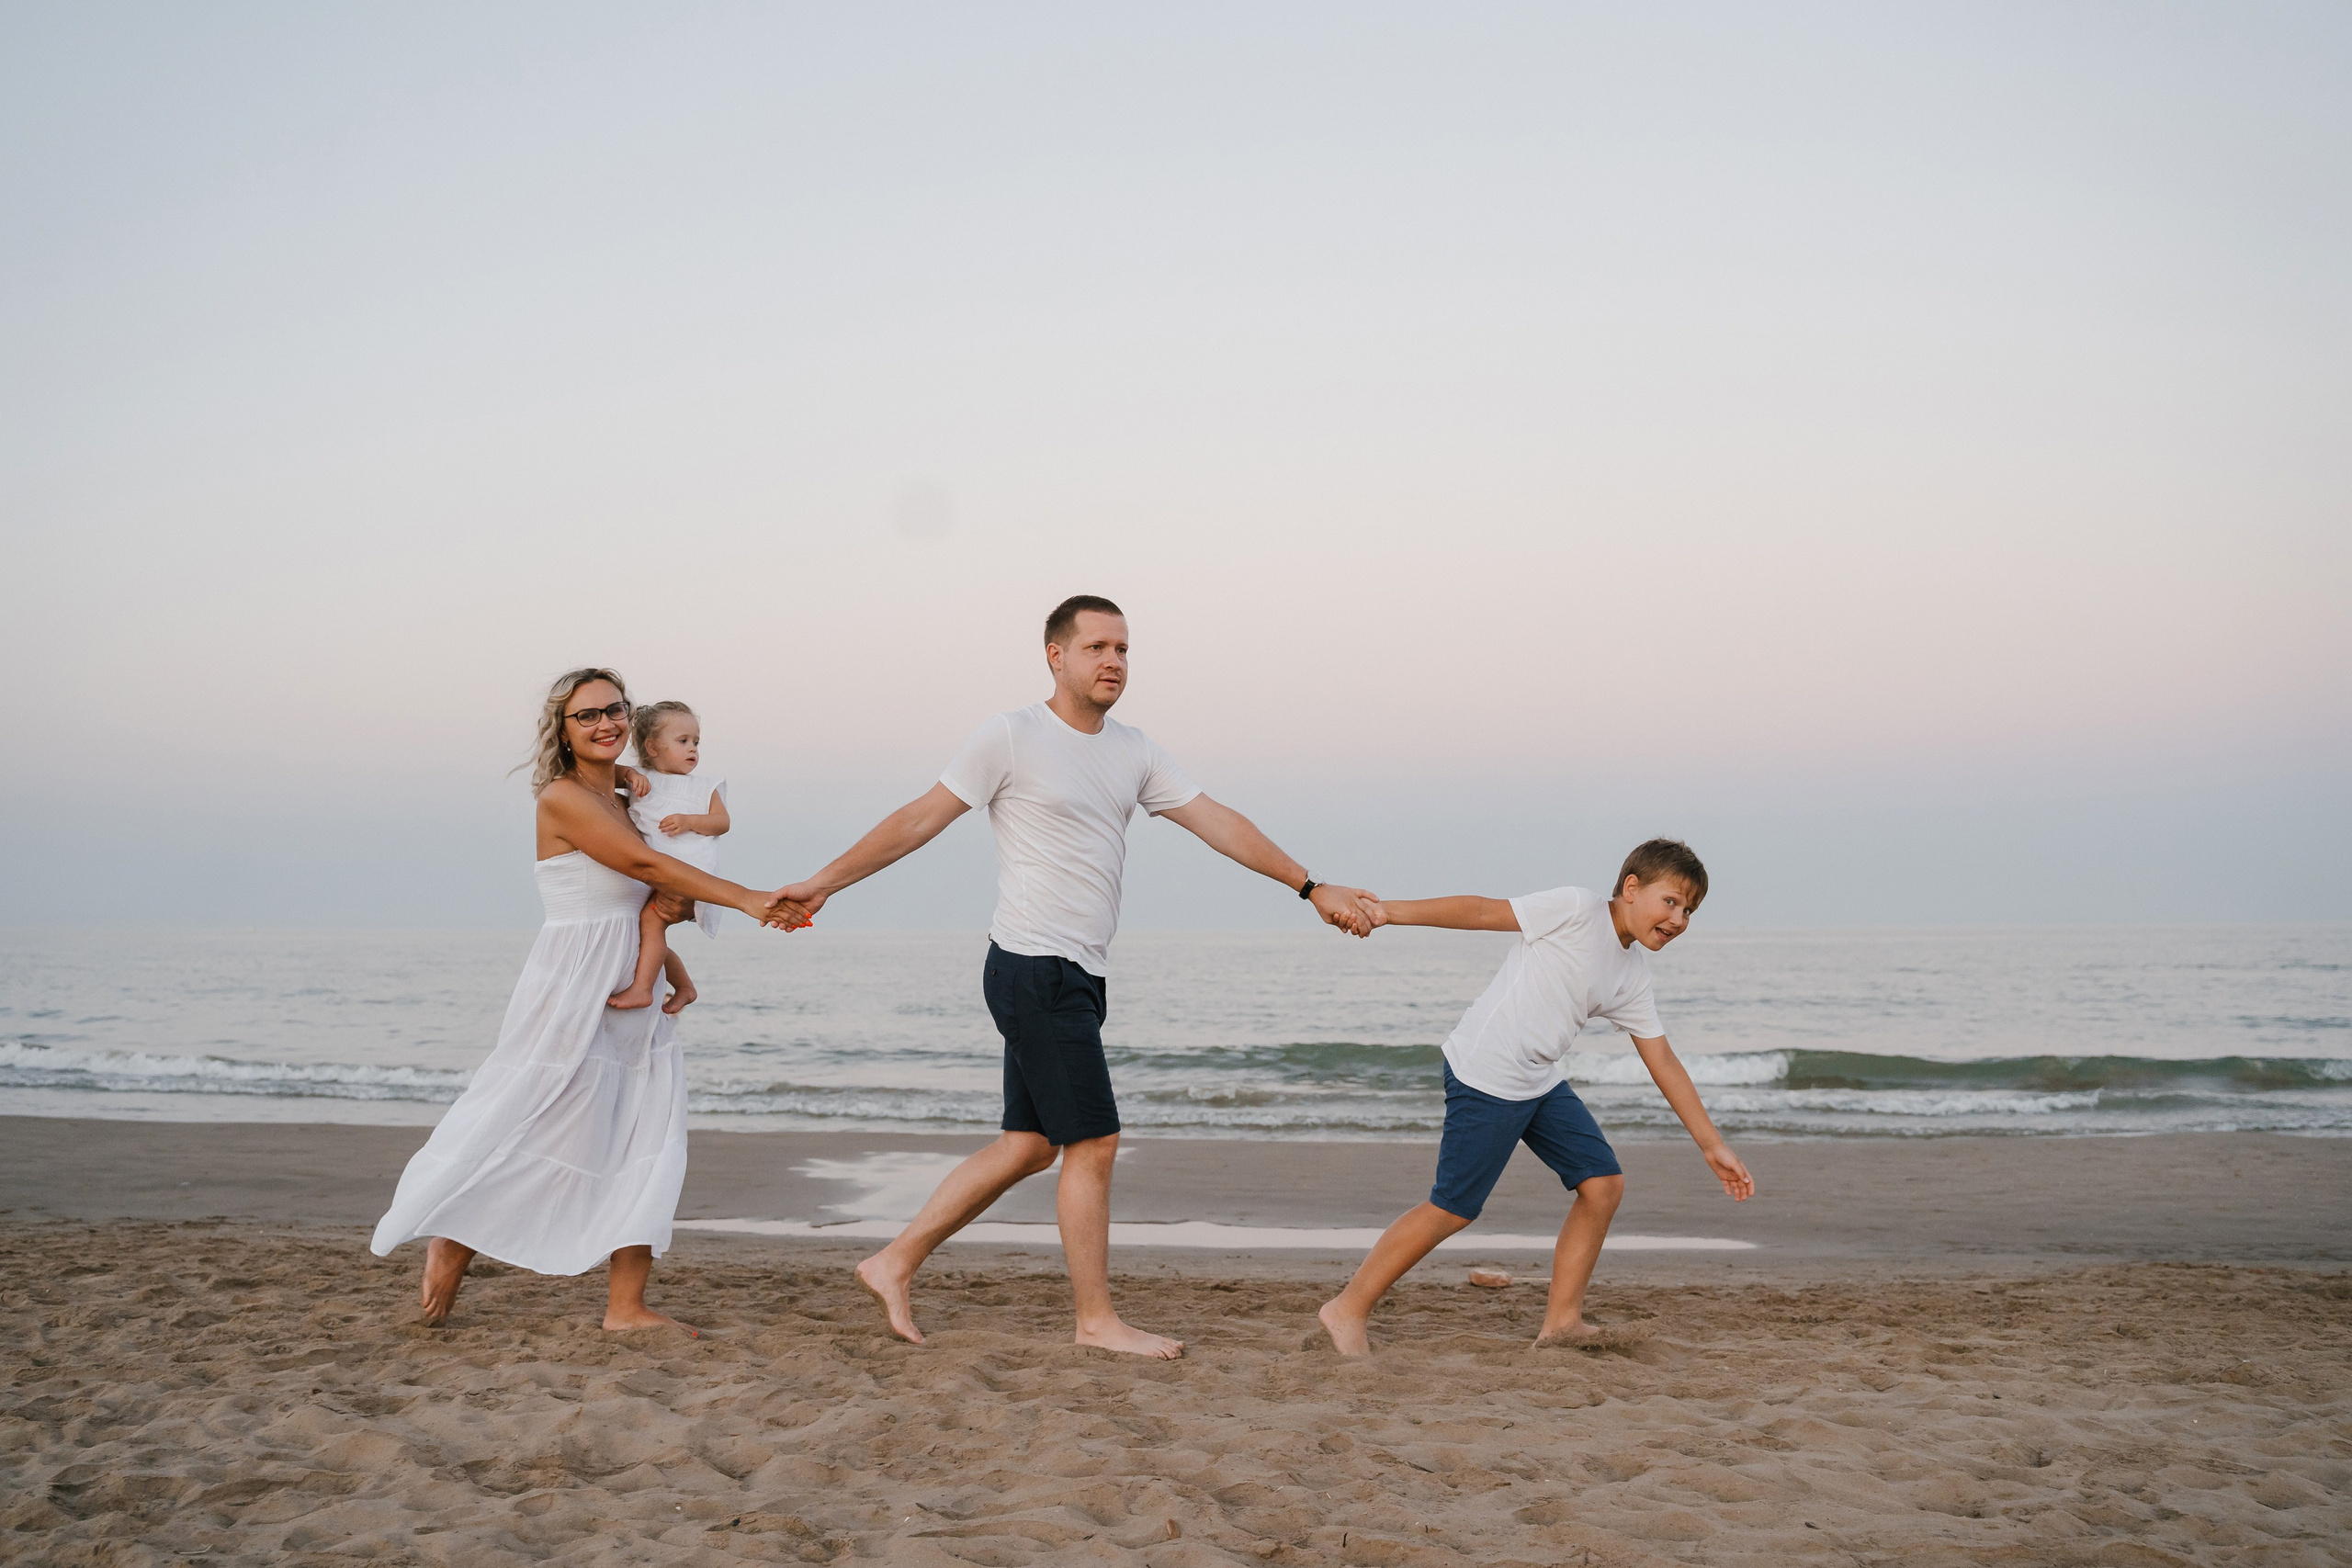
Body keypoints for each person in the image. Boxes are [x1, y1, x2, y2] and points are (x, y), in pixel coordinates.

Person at [765, 594, 1378, 1359]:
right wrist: (822, 883)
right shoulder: (1012, 736)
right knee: (1094, 1142)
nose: (1113, 661)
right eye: (1096, 647)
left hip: (1078, 972)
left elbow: (1218, 821)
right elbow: (919, 818)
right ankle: (1095, 1320)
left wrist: (1309, 885)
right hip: (1034, 965)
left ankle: (892, 1261)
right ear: (1055, 655)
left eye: (1123, 649)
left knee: (1029, 1144)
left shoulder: (1135, 750)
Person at [370, 668, 782, 1331]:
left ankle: (626, 1305)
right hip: (574, 982)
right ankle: (453, 1234)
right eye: (586, 715)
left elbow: (635, 907)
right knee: (539, 1117)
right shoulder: (562, 798)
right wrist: (747, 898)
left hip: (633, 981)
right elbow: (645, 869)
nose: (605, 723)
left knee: (646, 1128)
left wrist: (671, 967)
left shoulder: (628, 797)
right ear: (562, 730)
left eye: (614, 710)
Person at [1317, 839, 1755, 1356]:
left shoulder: (1632, 975)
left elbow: (1662, 1060)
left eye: (1689, 911)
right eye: (1672, 902)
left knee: (1602, 1184)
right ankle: (1346, 1309)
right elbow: (1482, 912)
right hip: (1486, 1072)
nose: (1679, 919)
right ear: (1632, 888)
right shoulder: (1576, 909)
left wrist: (1711, 1144)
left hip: (1536, 1079)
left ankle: (1563, 1322)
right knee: (1453, 1207)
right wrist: (1389, 912)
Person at [607, 700, 731, 1011]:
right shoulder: (640, 779)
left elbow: (722, 822)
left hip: (689, 870)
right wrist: (627, 774)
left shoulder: (705, 787)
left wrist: (690, 821)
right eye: (683, 741)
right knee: (645, 931)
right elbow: (601, 776)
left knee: (650, 924)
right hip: (656, 872)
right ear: (652, 747)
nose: (693, 749)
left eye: (696, 742)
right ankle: (684, 986)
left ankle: (643, 989)